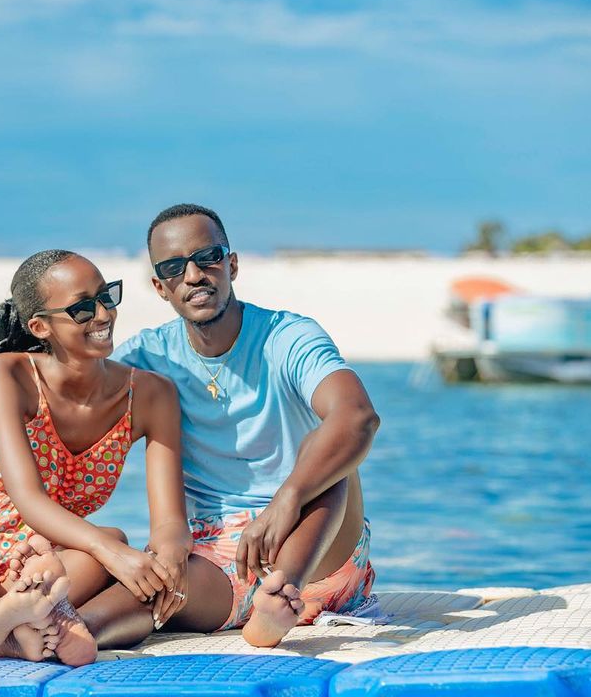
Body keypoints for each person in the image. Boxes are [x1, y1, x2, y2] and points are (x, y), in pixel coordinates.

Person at [71, 204, 380, 649]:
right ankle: (56, 635)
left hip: (317, 542)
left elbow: (358, 417)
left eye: (208, 258)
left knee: (330, 445)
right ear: (160, 287)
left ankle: (281, 594)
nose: (194, 275)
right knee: (131, 601)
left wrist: (288, 499)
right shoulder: (148, 358)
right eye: (174, 268)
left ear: (231, 264)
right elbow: (62, 421)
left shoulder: (286, 336)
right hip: (223, 556)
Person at [0, 249, 188, 666]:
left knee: (112, 543)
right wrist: (111, 552)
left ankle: (22, 623)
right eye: (82, 308)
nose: (103, 314)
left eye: (106, 296)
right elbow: (27, 498)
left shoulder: (153, 394)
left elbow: (170, 521)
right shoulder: (8, 372)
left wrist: (169, 560)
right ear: (40, 326)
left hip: (44, 554)